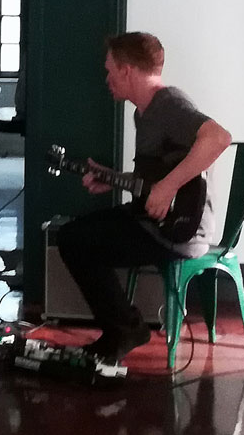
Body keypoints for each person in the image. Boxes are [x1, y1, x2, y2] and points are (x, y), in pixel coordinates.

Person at [53, 31, 233, 365]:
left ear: (127, 71)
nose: (107, 78)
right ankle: (124, 328)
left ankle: (125, 330)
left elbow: (218, 138)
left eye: (109, 70)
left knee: (76, 241)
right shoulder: (144, 113)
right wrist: (113, 179)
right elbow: (155, 178)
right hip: (153, 219)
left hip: (179, 230)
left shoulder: (169, 105)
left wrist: (167, 188)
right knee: (73, 235)